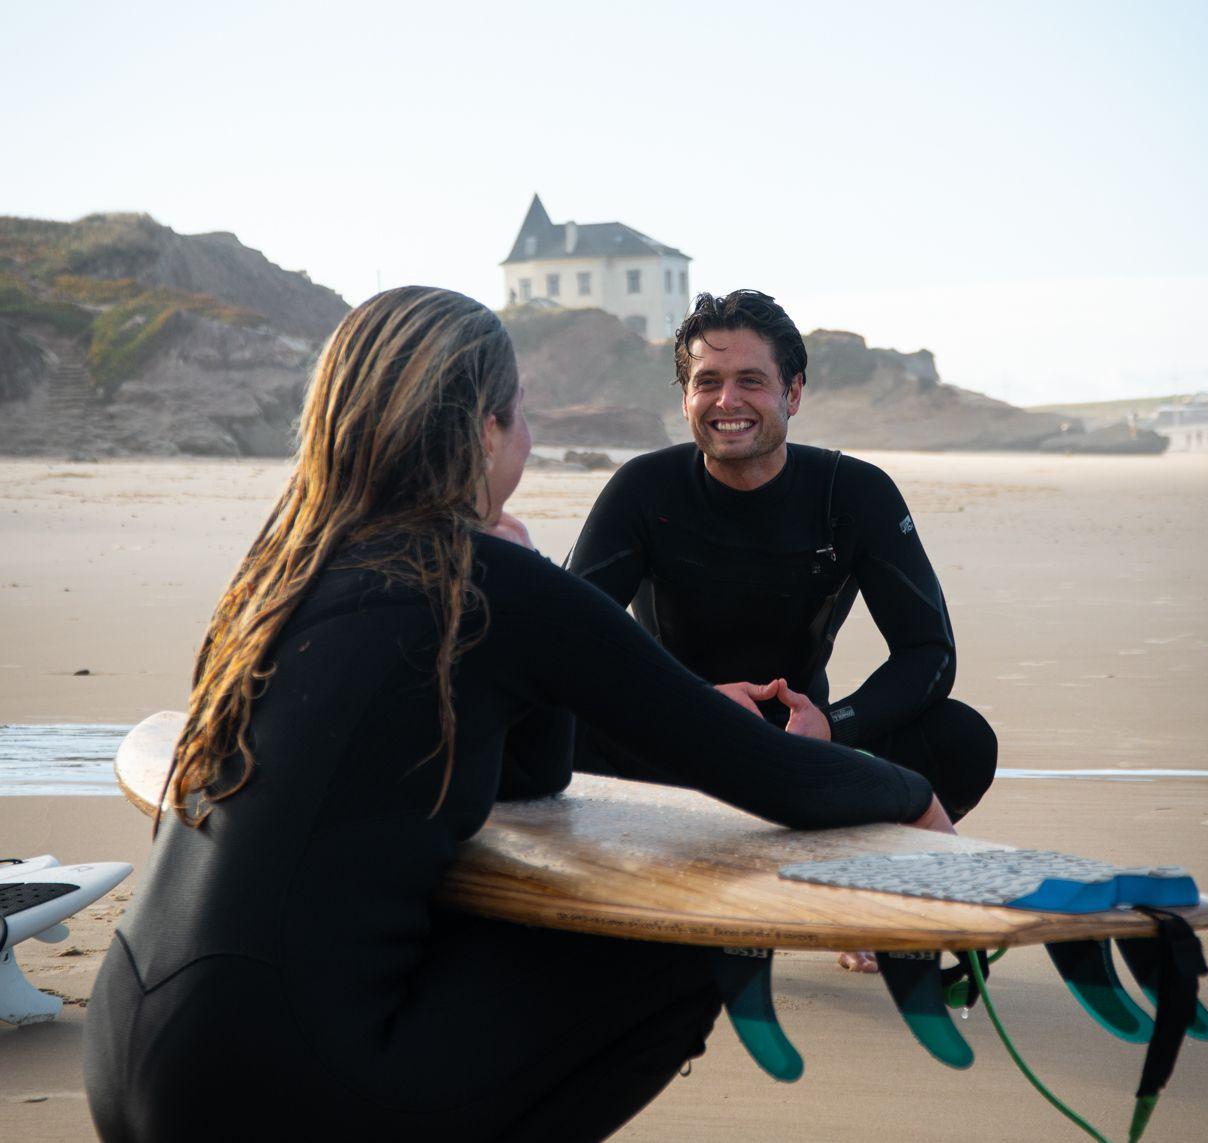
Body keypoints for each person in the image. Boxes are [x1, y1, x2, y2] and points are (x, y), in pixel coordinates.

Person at [84, 287, 952, 1143]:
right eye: (522, 414)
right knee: (687, 944)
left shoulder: (281, 566)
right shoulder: (487, 584)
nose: (528, 439)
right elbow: (770, 774)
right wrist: (910, 793)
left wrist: (523, 565)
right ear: (484, 430)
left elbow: (533, 777)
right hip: (277, 1080)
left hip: (127, 1042)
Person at [570, 289, 996, 826]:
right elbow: (571, 644)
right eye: (708, 383)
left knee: (961, 738)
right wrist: (695, 704)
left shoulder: (854, 493)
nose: (728, 401)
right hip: (673, 743)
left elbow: (928, 654)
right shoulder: (644, 489)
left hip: (804, 747)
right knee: (552, 724)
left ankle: (873, 847)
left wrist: (831, 726)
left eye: (751, 381)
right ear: (685, 399)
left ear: (792, 393)